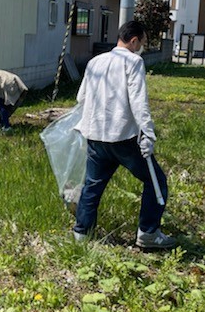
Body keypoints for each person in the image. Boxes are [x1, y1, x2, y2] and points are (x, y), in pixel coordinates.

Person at [73, 20, 175, 249]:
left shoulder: (95, 62)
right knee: (156, 181)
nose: (142, 47)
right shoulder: (133, 61)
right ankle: (148, 233)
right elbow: (139, 101)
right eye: (142, 42)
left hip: (95, 136)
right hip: (122, 137)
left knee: (92, 186)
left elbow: (81, 98)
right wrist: (148, 133)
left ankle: (81, 235)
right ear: (134, 40)